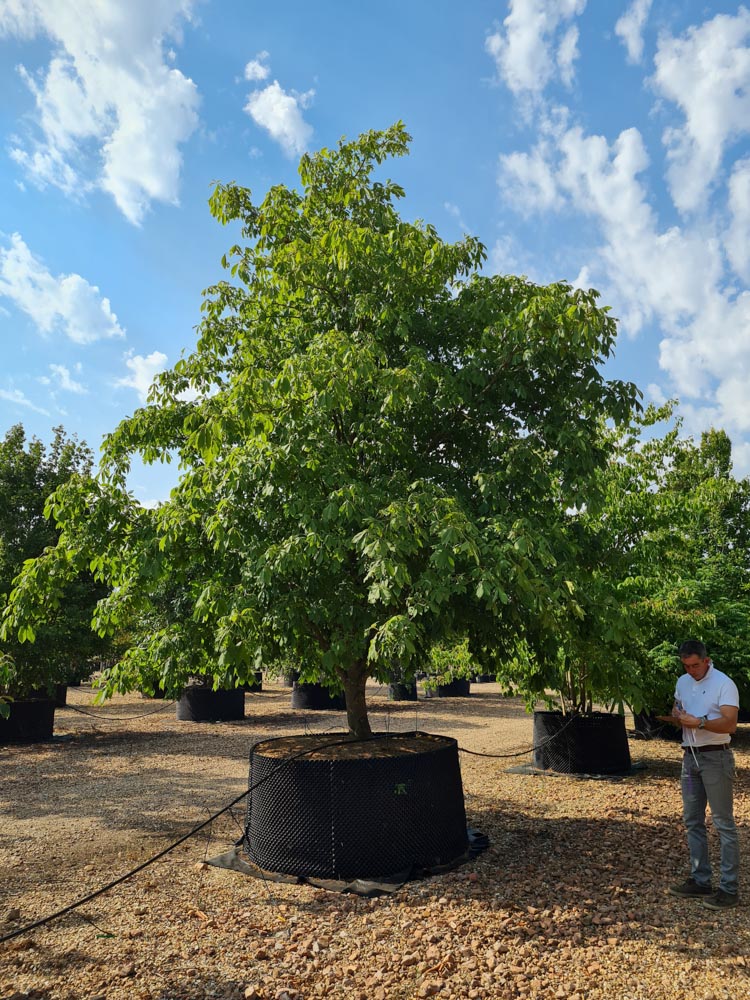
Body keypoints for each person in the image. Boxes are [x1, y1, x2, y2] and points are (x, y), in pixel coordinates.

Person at [668, 640, 740, 909]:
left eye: (695, 665)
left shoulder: (724, 684)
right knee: (692, 820)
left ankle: (729, 889)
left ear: (706, 661)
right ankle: (700, 880)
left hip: (716, 758)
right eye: (686, 666)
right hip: (690, 759)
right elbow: (678, 707)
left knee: (723, 822)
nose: (691, 670)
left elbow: (730, 724)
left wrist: (699, 722)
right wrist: (677, 714)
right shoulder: (683, 682)